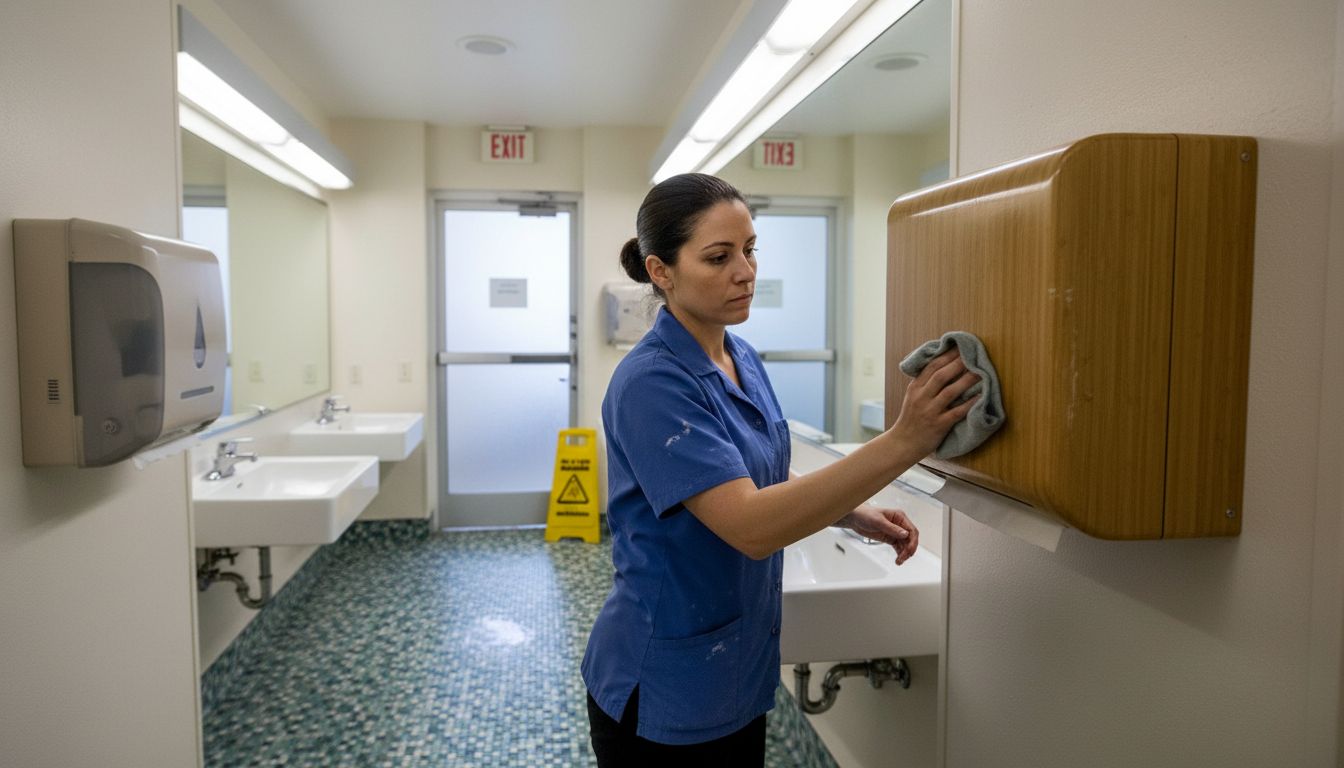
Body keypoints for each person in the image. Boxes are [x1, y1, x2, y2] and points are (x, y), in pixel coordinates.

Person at [582, 173, 978, 765]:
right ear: (661, 271)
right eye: (718, 257)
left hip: (735, 674)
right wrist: (906, 439)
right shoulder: (652, 383)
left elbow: (752, 476)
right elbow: (750, 524)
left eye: (749, 249)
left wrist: (852, 514)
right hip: (665, 686)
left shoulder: (739, 355)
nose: (745, 271)